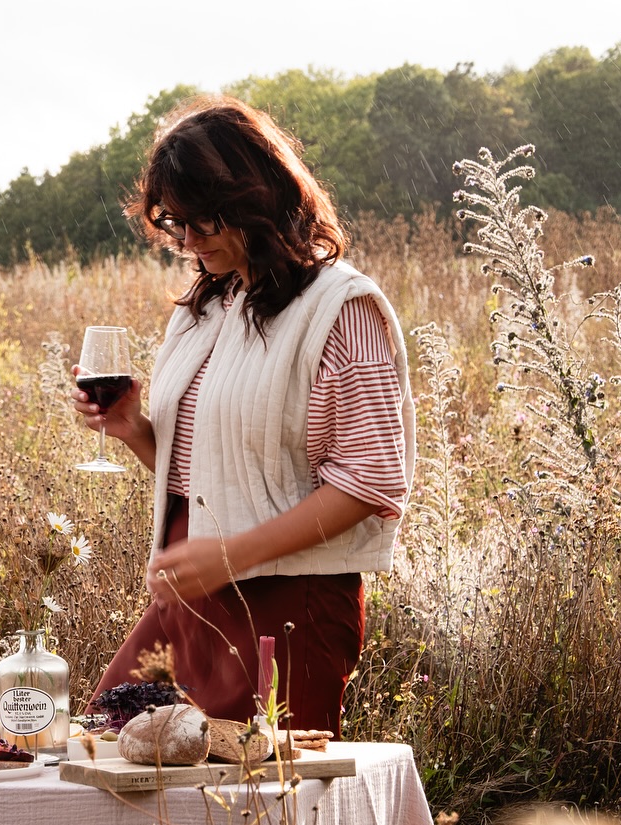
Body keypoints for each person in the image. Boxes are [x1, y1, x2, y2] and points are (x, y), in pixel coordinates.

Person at [75, 96, 415, 737]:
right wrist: (136, 431)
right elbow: (219, 472)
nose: (185, 240)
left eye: (200, 220)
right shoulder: (208, 304)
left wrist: (231, 557)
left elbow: (371, 480)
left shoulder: (341, 309)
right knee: (109, 753)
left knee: (256, 794)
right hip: (190, 596)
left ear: (254, 199)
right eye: (174, 222)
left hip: (286, 606)